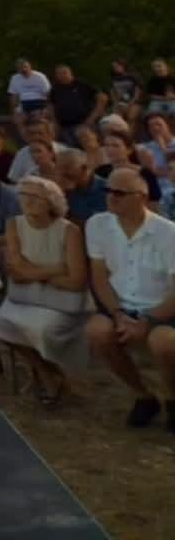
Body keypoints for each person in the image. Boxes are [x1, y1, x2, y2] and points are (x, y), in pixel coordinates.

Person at [83, 166, 175, 429]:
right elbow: (100, 277)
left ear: (141, 197)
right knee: (97, 331)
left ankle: (173, 398)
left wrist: (147, 320)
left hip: (162, 310)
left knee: (163, 342)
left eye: (119, 193)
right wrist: (118, 313)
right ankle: (143, 395)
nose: (111, 197)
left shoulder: (168, 233)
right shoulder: (97, 225)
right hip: (120, 307)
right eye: (108, 190)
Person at [0, 176, 89, 405]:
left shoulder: (70, 231)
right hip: (25, 297)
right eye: (23, 195)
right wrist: (58, 269)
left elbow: (76, 281)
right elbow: (16, 272)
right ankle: (48, 374)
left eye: (34, 196)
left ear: (51, 202)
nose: (27, 201)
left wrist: (31, 273)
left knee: (43, 330)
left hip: (62, 301)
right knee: (2, 323)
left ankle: (51, 378)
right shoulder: (14, 224)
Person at [48, 65, 106, 143]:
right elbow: (51, 106)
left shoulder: (82, 85)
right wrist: (55, 122)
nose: (62, 75)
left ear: (71, 73)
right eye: (59, 74)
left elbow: (102, 98)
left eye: (64, 73)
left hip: (85, 124)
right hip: (65, 127)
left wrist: (92, 118)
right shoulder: (54, 89)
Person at [8, 59, 52, 131]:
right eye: (21, 68)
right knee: (19, 119)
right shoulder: (15, 78)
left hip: (39, 102)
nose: (24, 69)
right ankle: (25, 136)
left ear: (30, 67)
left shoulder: (40, 76)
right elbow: (13, 95)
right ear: (18, 69)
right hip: (23, 103)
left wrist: (47, 107)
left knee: (38, 119)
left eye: (25, 67)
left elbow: (48, 93)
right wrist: (13, 110)